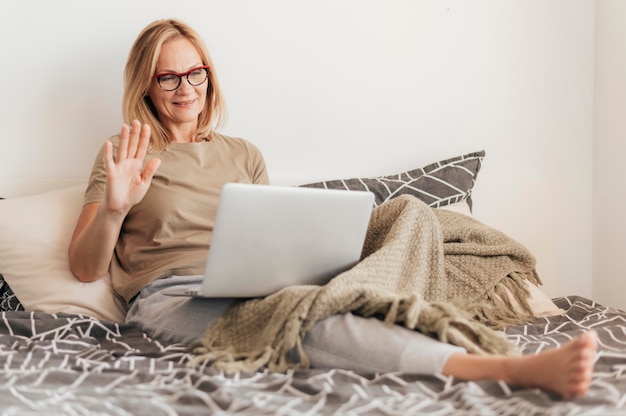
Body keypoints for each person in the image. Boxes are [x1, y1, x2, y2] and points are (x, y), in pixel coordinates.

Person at [68, 18, 597, 399]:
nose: (187, 88)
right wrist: (116, 208)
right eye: (169, 77)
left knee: (409, 213)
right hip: (173, 295)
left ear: (209, 74)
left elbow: (270, 237)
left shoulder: (243, 153)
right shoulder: (123, 152)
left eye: (196, 72)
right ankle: (499, 368)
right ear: (147, 84)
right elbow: (85, 267)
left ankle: (380, 300)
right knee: (307, 321)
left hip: (260, 285)